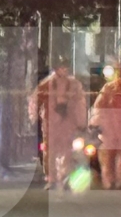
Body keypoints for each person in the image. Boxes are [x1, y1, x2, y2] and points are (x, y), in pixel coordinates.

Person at [29, 58, 88, 190]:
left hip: (68, 122)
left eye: (65, 67)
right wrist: (33, 117)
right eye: (61, 67)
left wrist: (81, 121)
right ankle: (52, 178)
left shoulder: (74, 84)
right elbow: (36, 100)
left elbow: (80, 103)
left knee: (68, 150)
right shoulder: (47, 84)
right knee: (50, 151)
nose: (64, 70)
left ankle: (65, 177)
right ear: (56, 69)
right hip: (51, 122)